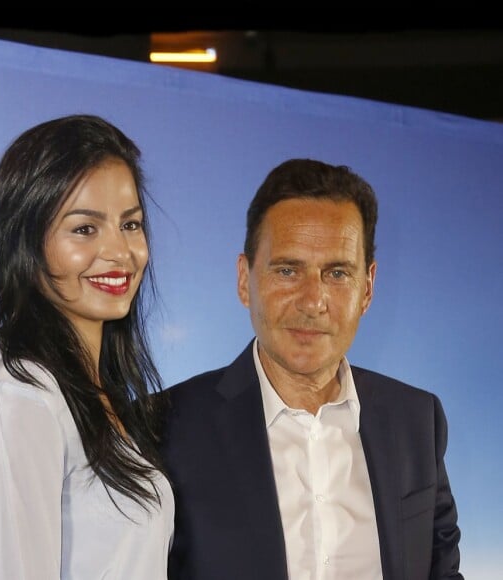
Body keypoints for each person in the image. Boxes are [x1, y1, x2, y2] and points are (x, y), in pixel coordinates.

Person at [161, 158, 464, 579]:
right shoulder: (164, 426)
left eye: (337, 273)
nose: (312, 301)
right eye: (288, 270)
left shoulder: (417, 421)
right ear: (245, 280)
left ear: (368, 289)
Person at [0, 114, 173, 579]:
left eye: (131, 225)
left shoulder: (96, 394)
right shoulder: (22, 396)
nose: (120, 252)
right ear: (27, 244)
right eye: (84, 229)